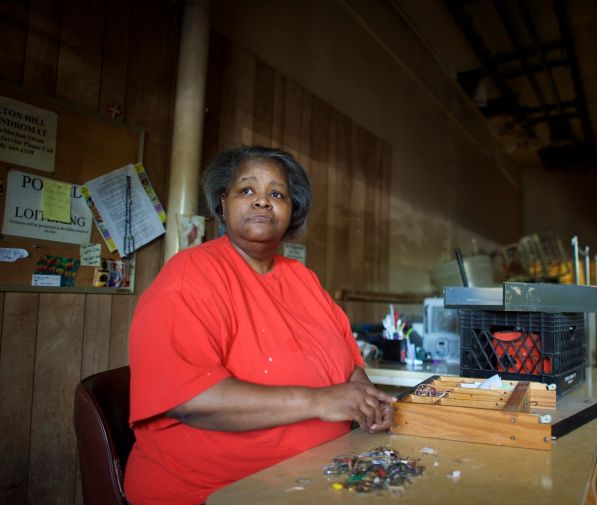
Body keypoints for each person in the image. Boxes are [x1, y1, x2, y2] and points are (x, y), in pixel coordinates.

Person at [124, 145, 396, 505]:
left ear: (290, 211)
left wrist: (369, 403)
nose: (263, 201)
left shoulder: (303, 279)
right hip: (210, 492)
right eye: (247, 190)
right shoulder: (191, 275)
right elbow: (190, 399)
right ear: (223, 202)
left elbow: (348, 369)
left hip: (313, 479)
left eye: (277, 194)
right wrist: (319, 401)